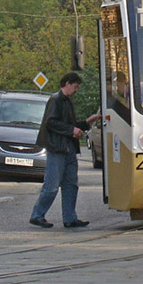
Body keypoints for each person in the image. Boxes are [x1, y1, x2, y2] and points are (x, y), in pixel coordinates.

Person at [29, 73, 101, 229]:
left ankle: (70, 218)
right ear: (67, 84)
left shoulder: (65, 101)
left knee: (71, 185)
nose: (76, 90)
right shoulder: (56, 100)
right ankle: (37, 215)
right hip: (58, 149)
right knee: (52, 185)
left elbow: (69, 124)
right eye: (75, 87)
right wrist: (72, 130)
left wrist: (85, 123)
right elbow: (51, 123)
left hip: (68, 149)